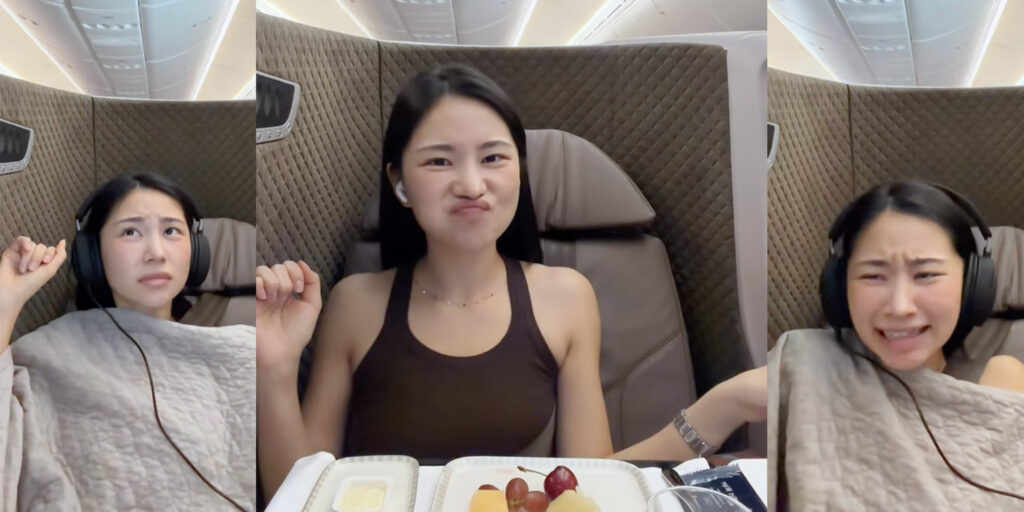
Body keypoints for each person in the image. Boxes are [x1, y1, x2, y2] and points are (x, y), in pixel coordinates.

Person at [257, 64, 766, 497]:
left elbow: (589, 483)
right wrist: (275, 367)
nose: (473, 185)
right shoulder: (355, 303)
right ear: (400, 183)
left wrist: (728, 404)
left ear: (519, 172)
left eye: (494, 158)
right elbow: (304, 494)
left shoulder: (566, 297)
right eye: (439, 161)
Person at [0, 173, 255, 510]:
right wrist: (5, 303)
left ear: (196, 252)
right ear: (91, 255)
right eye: (131, 232)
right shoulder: (50, 350)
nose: (156, 253)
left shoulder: (244, 345)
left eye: (171, 231)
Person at [769, 181, 1024, 509]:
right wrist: (726, 403)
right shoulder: (805, 361)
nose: (900, 306)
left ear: (973, 285)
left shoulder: (1007, 384)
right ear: (838, 289)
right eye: (874, 276)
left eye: (926, 275)